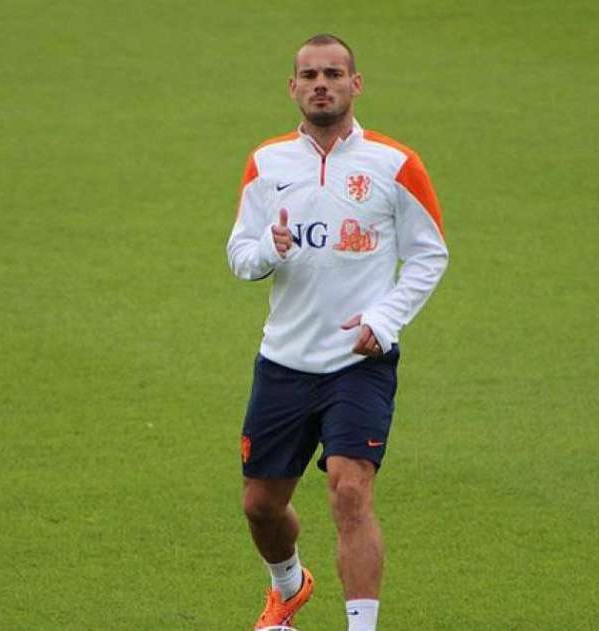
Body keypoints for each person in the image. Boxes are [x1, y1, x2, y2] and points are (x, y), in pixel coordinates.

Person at [226, 33, 449, 631]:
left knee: (350, 492)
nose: (320, 83)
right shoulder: (267, 162)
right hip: (284, 360)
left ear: (356, 84)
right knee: (261, 506)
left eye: (333, 73)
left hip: (359, 361)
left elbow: (430, 254)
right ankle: (289, 587)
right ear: (293, 88)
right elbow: (239, 253)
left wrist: (385, 317)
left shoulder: (395, 164)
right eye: (309, 75)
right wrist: (267, 254)